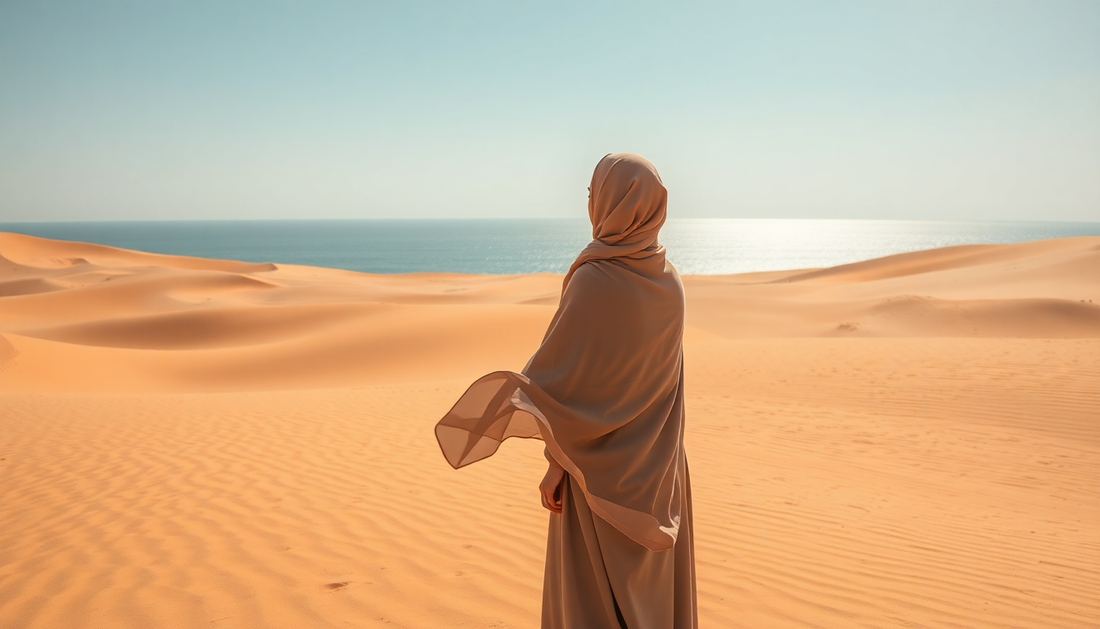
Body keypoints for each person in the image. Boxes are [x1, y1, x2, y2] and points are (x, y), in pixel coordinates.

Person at [435, 153, 696, 628]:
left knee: (591, 604)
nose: (592, 202)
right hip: (659, 474)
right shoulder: (671, 282)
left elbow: (563, 384)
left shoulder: (596, 279)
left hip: (598, 475)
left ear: (617, 204)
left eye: (597, 193)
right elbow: (652, 384)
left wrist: (556, 464)